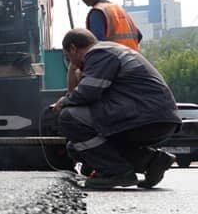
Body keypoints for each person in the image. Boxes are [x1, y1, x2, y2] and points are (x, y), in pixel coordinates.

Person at [51, 28, 179, 189]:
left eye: (68, 57)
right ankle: (153, 161)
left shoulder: (99, 53)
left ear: (73, 49)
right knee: (76, 147)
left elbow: (88, 92)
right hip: (154, 118)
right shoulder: (109, 50)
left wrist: (64, 101)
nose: (71, 62)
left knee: (69, 117)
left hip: (144, 116)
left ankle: (117, 172)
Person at [67, 0, 142, 91]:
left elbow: (95, 48)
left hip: (114, 69)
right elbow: (138, 35)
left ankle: (71, 103)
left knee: (73, 67)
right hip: (134, 65)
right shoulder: (118, 9)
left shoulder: (97, 12)